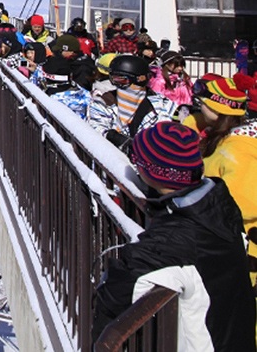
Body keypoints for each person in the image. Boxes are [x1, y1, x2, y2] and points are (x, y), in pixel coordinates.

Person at [92, 122, 256, 351]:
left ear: (151, 172)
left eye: (136, 159)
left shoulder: (176, 239)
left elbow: (119, 291)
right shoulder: (219, 202)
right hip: (239, 337)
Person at [182, 75, 257, 293]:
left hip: (244, 257)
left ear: (217, 107)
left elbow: (244, 205)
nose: (198, 107)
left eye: (202, 103)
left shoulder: (237, 150)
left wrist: (195, 213)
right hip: (227, 247)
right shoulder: (223, 140)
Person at [88, 55, 177, 155]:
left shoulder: (161, 104)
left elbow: (169, 133)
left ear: (140, 79)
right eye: (113, 79)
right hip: (115, 161)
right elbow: (95, 128)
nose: (116, 84)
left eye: (121, 80)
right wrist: (112, 136)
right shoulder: (105, 102)